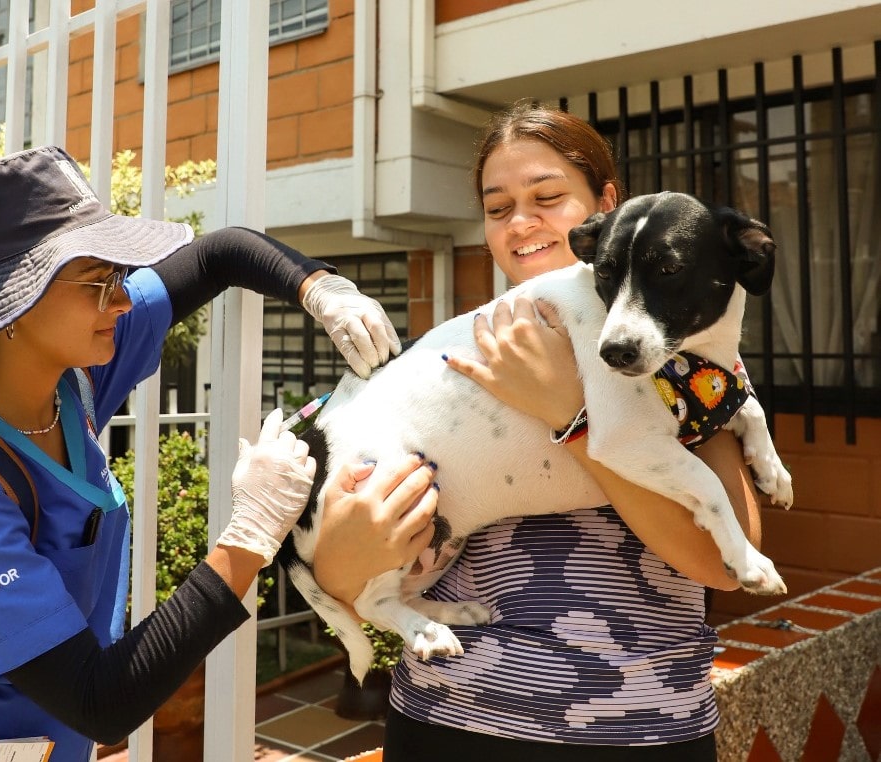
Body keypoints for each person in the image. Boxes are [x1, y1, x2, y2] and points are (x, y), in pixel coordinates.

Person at [0, 145, 438, 761]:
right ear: (11, 304)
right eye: (99, 282)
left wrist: (319, 286)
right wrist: (252, 534)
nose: (120, 302)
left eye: (119, 279)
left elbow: (216, 254)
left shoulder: (67, 380)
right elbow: (102, 700)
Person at [312, 103, 765, 761]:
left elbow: (730, 559)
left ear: (608, 209)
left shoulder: (679, 352)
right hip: (448, 718)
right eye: (498, 209)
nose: (522, 222)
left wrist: (569, 416)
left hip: (638, 726)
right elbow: (341, 568)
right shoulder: (450, 359)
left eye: (548, 198)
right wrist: (346, 544)